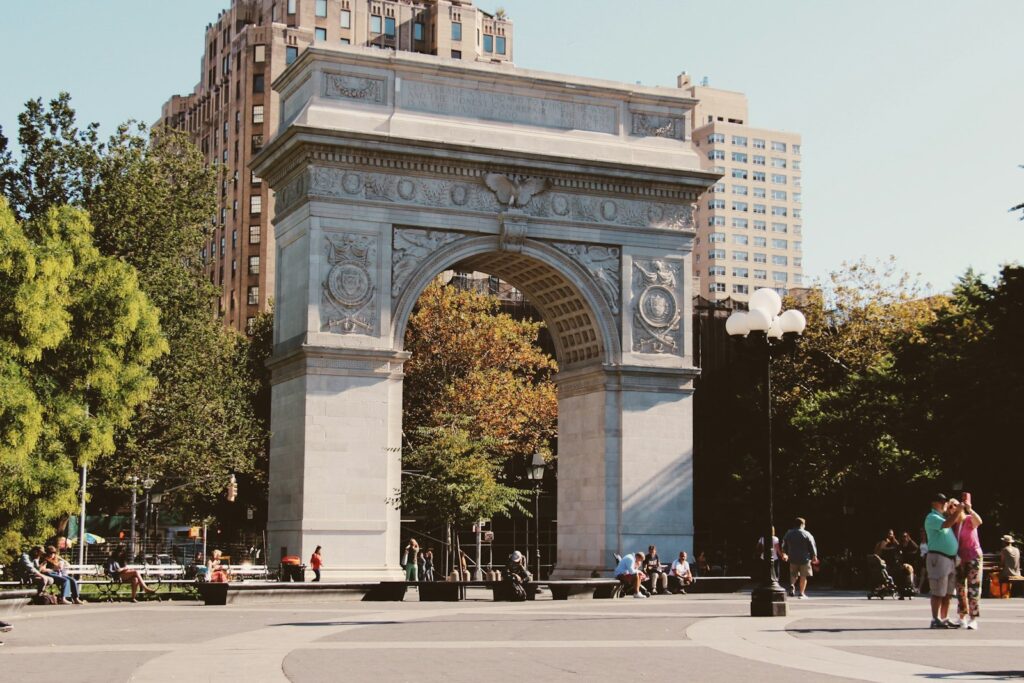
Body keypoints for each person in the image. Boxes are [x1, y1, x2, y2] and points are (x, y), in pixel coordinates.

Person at [924, 493, 962, 629]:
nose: (946, 504)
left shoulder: (941, 517)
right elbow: (946, 524)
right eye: (944, 502)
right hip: (938, 558)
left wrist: (957, 512)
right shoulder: (932, 517)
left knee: (948, 592)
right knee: (938, 591)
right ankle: (935, 619)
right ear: (937, 503)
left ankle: (944, 618)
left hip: (949, 559)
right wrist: (958, 511)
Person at [953, 496, 983, 629]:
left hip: (973, 556)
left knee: (973, 588)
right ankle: (962, 616)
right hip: (960, 558)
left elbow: (979, 521)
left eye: (955, 505)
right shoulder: (953, 524)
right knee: (960, 588)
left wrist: (970, 509)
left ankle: (973, 619)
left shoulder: (968, 519)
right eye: (950, 507)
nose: (953, 508)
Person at [782, 517, 818, 599]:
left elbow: (784, 543)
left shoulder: (789, 533)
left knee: (793, 574)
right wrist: (814, 556)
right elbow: (812, 545)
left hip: (792, 557)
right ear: (802, 524)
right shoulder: (807, 534)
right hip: (804, 558)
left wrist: (784, 553)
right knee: (803, 576)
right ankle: (801, 593)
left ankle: (792, 585)